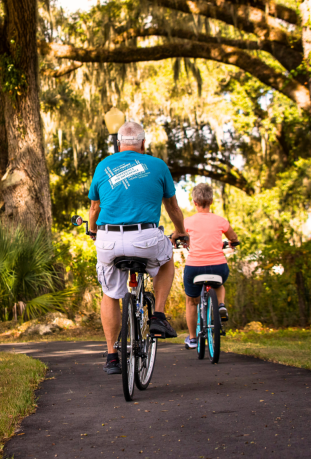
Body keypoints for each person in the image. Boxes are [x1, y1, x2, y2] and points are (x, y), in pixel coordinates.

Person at [88, 121, 188, 375]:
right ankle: (158, 316)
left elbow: (94, 210)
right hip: (145, 237)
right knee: (166, 260)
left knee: (110, 293)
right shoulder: (157, 165)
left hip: (108, 239)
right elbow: (173, 208)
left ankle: (112, 355)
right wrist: (181, 232)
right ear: (144, 143)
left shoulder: (103, 166)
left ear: (118, 144)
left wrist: (92, 231)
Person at [182, 183, 239, 350]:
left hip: (194, 268)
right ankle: (220, 304)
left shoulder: (188, 222)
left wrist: (178, 241)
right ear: (211, 201)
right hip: (218, 266)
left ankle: (192, 338)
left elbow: (179, 236)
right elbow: (233, 237)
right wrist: (232, 243)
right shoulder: (220, 221)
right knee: (219, 284)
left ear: (195, 202)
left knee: (191, 301)